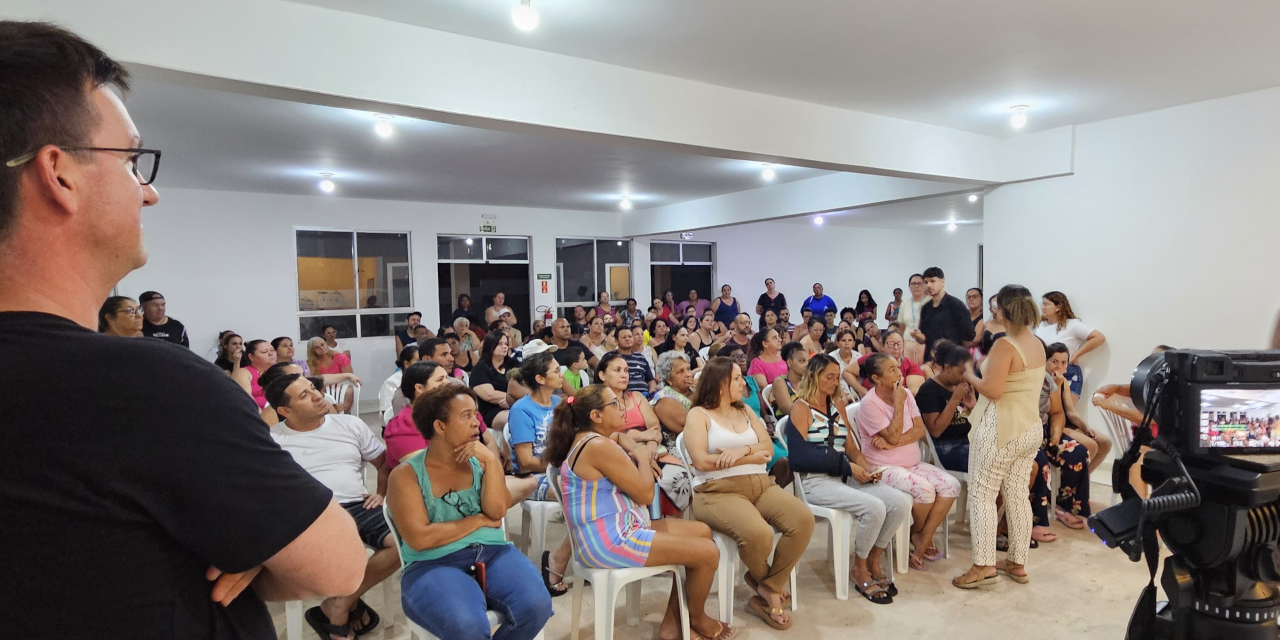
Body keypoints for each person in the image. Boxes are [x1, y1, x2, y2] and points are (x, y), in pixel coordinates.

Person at [0, 24, 369, 636]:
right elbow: (339, 564)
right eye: (131, 161)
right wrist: (244, 550)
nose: (149, 193)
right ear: (59, 174)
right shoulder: (143, 386)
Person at [545, 384, 733, 640]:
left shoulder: (593, 440)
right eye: (614, 404)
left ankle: (672, 625)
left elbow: (621, 443)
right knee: (708, 553)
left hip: (618, 528)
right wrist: (643, 457)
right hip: (608, 541)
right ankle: (697, 618)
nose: (622, 406)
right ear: (596, 416)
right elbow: (645, 495)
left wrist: (635, 450)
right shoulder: (597, 446)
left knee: (702, 531)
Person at [386, 384, 553, 640]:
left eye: (476, 414)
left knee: (537, 606)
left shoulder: (480, 463)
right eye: (466, 416)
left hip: (494, 553)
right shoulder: (406, 475)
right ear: (439, 427)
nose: (477, 422)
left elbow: (496, 513)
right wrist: (477, 520)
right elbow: (421, 539)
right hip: (433, 563)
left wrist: (491, 462)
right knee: (468, 628)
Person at [683, 357, 813, 630]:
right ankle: (769, 587)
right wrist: (751, 457)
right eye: (738, 378)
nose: (744, 382)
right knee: (759, 534)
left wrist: (740, 452)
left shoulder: (744, 410)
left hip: (760, 483)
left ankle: (767, 586)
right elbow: (702, 461)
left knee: (802, 520)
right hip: (716, 491)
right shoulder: (698, 415)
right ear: (721, 384)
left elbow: (766, 446)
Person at [266, 374, 399, 639]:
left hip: (357, 505)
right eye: (305, 395)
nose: (318, 395)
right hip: (310, 514)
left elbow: (384, 462)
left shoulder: (349, 424)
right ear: (285, 411)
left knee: (404, 538)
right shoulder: (273, 441)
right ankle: (347, 604)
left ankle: (340, 604)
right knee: (330, 554)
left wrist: (382, 493)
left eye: (313, 388)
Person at [784, 355, 911, 604]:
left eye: (837, 377)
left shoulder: (837, 405)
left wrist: (868, 469)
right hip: (816, 481)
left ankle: (873, 556)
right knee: (873, 507)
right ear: (813, 376)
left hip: (844, 472)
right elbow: (799, 458)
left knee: (900, 501)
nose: (835, 382)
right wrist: (850, 468)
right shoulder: (800, 408)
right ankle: (859, 567)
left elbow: (851, 449)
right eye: (829, 377)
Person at [953, 285, 1044, 589]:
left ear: (1001, 310)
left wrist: (967, 374)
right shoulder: (1037, 343)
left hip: (1002, 428)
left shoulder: (1006, 345)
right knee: (1017, 492)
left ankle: (983, 565)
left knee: (982, 492)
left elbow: (993, 390)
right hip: (1029, 426)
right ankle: (1017, 562)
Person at [857, 353, 961, 571]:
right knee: (925, 490)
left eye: (898, 368)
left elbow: (919, 429)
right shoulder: (870, 403)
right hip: (882, 467)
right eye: (891, 370)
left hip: (912, 463)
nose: (898, 373)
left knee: (951, 485)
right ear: (876, 378)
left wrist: (893, 443)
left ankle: (922, 535)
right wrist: (898, 405)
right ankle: (920, 537)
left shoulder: (904, 393)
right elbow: (894, 434)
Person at [1041, 342, 1097, 527]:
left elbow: (1069, 412)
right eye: (1054, 361)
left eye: (1064, 363)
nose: (1059, 366)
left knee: (1081, 452)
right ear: (1045, 361)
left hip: (1058, 428)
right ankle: (1051, 502)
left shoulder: (1062, 381)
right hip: (1041, 429)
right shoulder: (1040, 380)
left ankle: (1067, 505)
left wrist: (1086, 426)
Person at [916, 340, 977, 472]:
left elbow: (977, 422)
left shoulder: (964, 386)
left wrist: (974, 407)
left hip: (969, 440)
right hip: (947, 447)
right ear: (948, 367)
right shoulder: (929, 390)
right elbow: (936, 431)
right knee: (992, 464)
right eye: (961, 372)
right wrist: (954, 399)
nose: (965, 377)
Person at [1035, 291, 1107, 397]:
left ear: (1058, 307)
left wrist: (1076, 355)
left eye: (1046, 304)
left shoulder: (1072, 325)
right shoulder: (1040, 325)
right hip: (1044, 373)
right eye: (1042, 304)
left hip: (1068, 372)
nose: (1042, 308)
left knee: (1065, 410)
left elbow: (1099, 337)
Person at [915, 267, 976, 363]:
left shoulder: (955, 305)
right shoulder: (926, 308)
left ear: (943, 282)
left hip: (952, 358)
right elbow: (925, 337)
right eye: (926, 282)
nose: (929, 285)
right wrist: (918, 336)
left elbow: (969, 334)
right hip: (931, 358)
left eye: (933, 281)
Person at [469, 331, 517, 431]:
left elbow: (528, 386)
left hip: (518, 405)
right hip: (492, 410)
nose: (504, 347)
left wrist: (513, 400)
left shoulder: (514, 364)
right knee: (517, 419)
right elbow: (489, 395)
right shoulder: (480, 369)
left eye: (506, 344)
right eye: (500, 344)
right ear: (490, 345)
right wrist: (511, 398)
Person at [307, 336, 356, 413]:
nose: (321, 348)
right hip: (322, 389)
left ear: (326, 344)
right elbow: (313, 381)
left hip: (341, 388)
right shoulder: (310, 363)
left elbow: (349, 376)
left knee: (349, 390)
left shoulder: (341, 357)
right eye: (317, 347)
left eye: (322, 345)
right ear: (312, 351)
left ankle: (343, 415)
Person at [609, 325, 658, 395]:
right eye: (624, 337)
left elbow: (650, 380)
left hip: (645, 395)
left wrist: (652, 390)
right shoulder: (610, 357)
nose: (627, 339)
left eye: (630, 337)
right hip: (622, 396)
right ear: (616, 341)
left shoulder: (641, 357)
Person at [231, 339, 277, 411]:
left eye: (272, 350)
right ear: (251, 357)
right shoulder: (243, 373)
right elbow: (245, 400)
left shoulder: (281, 370)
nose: (271, 354)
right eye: (265, 352)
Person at [769, 342, 810, 422]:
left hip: (809, 420)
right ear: (789, 363)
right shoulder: (780, 382)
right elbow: (789, 410)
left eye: (808, 361)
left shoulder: (807, 380)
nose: (806, 365)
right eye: (802, 361)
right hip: (789, 424)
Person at [897, 274, 929, 364]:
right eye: (913, 283)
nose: (916, 286)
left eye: (919, 283)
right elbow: (902, 326)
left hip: (925, 343)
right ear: (909, 286)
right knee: (909, 370)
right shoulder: (905, 303)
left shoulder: (930, 302)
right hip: (908, 343)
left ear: (925, 285)